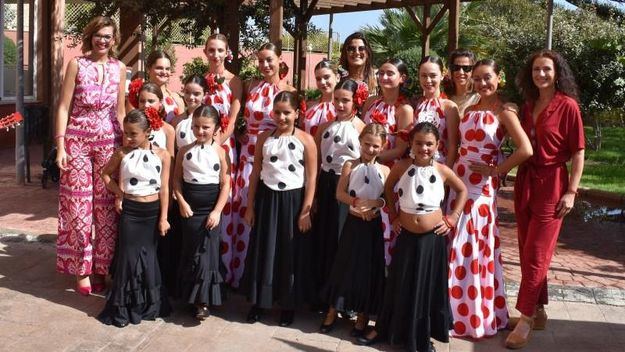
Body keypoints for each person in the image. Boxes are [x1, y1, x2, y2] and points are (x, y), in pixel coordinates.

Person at [357, 122, 468, 352]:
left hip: (432, 240)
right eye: (419, 143)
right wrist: (395, 216)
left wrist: (453, 217)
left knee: (425, 288)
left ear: (437, 145)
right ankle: (384, 328)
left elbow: (463, 190)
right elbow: (388, 190)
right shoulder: (402, 166)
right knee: (399, 284)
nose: (424, 148)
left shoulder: (442, 170)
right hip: (407, 237)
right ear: (411, 144)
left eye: (429, 144)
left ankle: (422, 335)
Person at [446, 59, 532, 339]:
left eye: (488, 78)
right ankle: (453, 309)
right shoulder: (469, 109)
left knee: (472, 247)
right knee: (455, 244)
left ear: (499, 78)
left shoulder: (505, 111)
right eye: (478, 79)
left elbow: (526, 149)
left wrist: (498, 170)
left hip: (480, 188)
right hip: (459, 182)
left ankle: (472, 316)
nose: (483, 83)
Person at [507, 50, 584, 349]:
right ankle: (537, 312)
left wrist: (571, 191)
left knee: (538, 254)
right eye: (536, 70)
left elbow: (578, 152)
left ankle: (524, 319)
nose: (541, 74)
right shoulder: (527, 107)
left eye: (547, 70)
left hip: (553, 184)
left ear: (557, 72)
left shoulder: (568, 107)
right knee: (527, 250)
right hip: (526, 182)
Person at [55, 16, 126, 295]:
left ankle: (101, 267)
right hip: (78, 143)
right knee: (79, 207)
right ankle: (81, 270)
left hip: (109, 142)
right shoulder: (77, 64)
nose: (102, 40)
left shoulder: (119, 68)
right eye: (98, 35)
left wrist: (127, 147)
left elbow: (120, 110)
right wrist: (60, 145)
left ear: (114, 39)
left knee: (107, 207)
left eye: (108, 36)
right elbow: (63, 107)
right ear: (90, 36)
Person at [241, 91, 317, 327]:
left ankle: (288, 304)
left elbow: (312, 177)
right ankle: (260, 302)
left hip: (292, 201)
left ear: (297, 113)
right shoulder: (264, 138)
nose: (282, 117)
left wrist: (306, 211)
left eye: (287, 112)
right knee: (265, 249)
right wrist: (250, 206)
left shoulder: (305, 139)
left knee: (288, 251)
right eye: (277, 112)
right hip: (267, 198)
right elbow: (255, 174)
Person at [98, 108, 171, 327]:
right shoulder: (121, 153)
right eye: (125, 133)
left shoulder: (162, 154)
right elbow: (105, 174)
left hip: (152, 213)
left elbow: (165, 188)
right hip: (131, 213)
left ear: (148, 132)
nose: (128, 138)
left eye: (133, 134)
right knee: (128, 258)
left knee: (148, 258)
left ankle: (148, 305)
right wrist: (121, 194)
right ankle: (123, 309)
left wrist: (164, 217)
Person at [231, 42, 295, 287]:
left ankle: (263, 277)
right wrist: (239, 136)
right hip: (247, 157)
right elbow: (240, 119)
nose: (265, 65)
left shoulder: (288, 89)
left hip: (274, 161)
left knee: (264, 216)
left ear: (280, 60)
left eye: (269, 59)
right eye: (260, 60)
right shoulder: (252, 86)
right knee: (244, 212)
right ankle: (240, 275)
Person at [319, 123, 390, 337]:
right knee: (344, 266)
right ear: (360, 142)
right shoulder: (350, 165)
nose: (370, 149)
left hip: (373, 227)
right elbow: (340, 194)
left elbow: (386, 199)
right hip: (353, 224)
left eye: (375, 146)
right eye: (367, 144)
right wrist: (359, 203)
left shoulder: (385, 170)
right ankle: (332, 311)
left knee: (368, 270)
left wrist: (376, 204)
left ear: (383, 146)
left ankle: (362, 316)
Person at [173, 105, 231, 320]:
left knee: (207, 254)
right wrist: (181, 202)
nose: (200, 131)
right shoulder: (184, 151)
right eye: (196, 126)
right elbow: (176, 180)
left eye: (205, 127)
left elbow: (225, 184)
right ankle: (192, 296)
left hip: (210, 211)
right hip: (190, 211)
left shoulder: (221, 152)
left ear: (216, 128)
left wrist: (217, 211)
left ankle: (204, 301)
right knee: (191, 251)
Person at [311, 79, 366, 308]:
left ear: (356, 101)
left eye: (346, 100)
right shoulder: (324, 127)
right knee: (324, 238)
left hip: (347, 186)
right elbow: (315, 161)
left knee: (343, 240)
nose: (340, 105)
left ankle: (342, 298)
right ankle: (322, 294)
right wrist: (313, 194)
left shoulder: (361, 127)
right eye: (337, 100)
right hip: (325, 183)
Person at [362, 58, 414, 264]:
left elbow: (401, 149)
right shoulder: (370, 102)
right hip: (365, 169)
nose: (384, 77)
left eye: (390, 73)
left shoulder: (405, 110)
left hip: (389, 174)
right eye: (381, 73)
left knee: (385, 223)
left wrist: (372, 158)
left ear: (402, 78)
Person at [202, 33, 243, 285]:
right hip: (201, 145)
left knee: (225, 202)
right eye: (211, 50)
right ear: (205, 52)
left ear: (227, 53)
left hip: (224, 146)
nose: (215, 54)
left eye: (220, 50)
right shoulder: (201, 80)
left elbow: (235, 115)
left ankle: (226, 270)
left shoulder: (234, 80)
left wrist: (218, 143)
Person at [413, 56, 460, 168]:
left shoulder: (449, 107)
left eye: (433, 75)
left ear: (442, 75)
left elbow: (453, 146)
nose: (428, 80)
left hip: (439, 167)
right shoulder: (415, 104)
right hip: (414, 165)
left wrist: (445, 177)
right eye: (423, 76)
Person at [135, 82, 176, 157]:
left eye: (151, 101)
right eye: (142, 101)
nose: (146, 105)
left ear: (160, 102)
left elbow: (171, 160)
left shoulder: (168, 130)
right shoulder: (131, 126)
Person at [145, 50, 185, 123]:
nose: (164, 72)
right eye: (159, 68)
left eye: (167, 69)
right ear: (148, 69)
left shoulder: (176, 99)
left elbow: (181, 127)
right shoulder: (139, 95)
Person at [302, 59, 339, 136]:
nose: (322, 82)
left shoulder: (343, 107)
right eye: (318, 79)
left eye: (326, 77)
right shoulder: (309, 105)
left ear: (337, 77)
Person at [170, 75, 208, 148]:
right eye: (187, 92)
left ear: (205, 94)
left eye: (196, 94)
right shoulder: (176, 121)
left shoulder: (210, 119)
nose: (191, 97)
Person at [338, 32, 377, 97]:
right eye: (351, 49)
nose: (357, 52)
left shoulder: (378, 78)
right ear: (345, 53)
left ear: (367, 53)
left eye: (361, 48)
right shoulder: (337, 79)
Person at [445, 49, 480, 117]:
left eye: (466, 68)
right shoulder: (445, 98)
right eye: (456, 67)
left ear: (473, 71)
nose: (461, 72)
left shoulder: (479, 99)